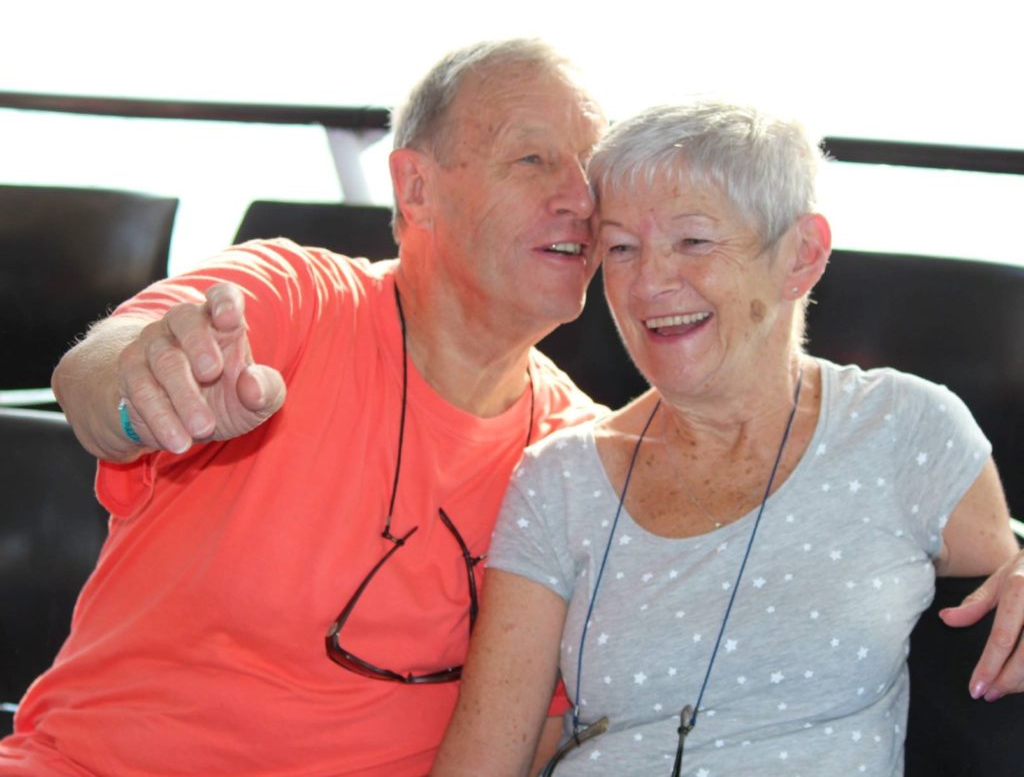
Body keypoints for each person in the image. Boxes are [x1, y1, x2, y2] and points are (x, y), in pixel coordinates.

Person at [0, 39, 608, 777]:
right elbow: (96, 372)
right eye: (534, 160)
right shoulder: (298, 298)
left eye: (593, 166)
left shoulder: (581, 455)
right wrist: (146, 391)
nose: (581, 197)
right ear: (415, 188)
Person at [432, 102, 1024, 776]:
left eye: (693, 241)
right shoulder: (559, 478)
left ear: (802, 254)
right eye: (622, 247)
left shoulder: (906, 431)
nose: (649, 282)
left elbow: (1004, 610)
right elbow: (482, 761)